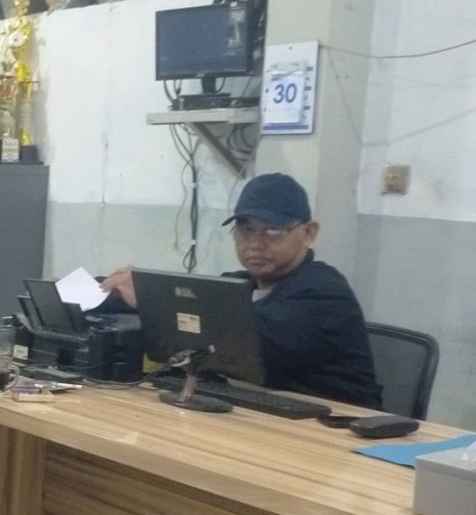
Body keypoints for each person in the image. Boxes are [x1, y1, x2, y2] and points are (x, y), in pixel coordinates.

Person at [100, 172, 381, 407]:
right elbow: (190, 301)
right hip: (265, 420)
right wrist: (104, 290)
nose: (255, 244)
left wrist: (150, 300)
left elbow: (235, 340)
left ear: (309, 233)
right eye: (246, 231)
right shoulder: (240, 286)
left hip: (334, 434)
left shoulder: (323, 292)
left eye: (273, 231)